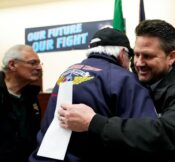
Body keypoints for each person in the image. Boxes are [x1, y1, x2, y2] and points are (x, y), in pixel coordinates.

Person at [57, 19, 175, 161]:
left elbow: (167, 135)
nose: (138, 63)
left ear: (171, 57)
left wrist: (93, 122)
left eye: (148, 56)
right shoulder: (134, 82)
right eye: (136, 55)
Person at [29, 28, 158, 161]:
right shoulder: (125, 79)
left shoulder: (68, 72)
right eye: (130, 57)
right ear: (122, 54)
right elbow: (146, 135)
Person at [0, 45, 42, 162]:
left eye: (39, 63)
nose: (38, 67)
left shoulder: (31, 95)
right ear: (12, 65)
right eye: (33, 63)